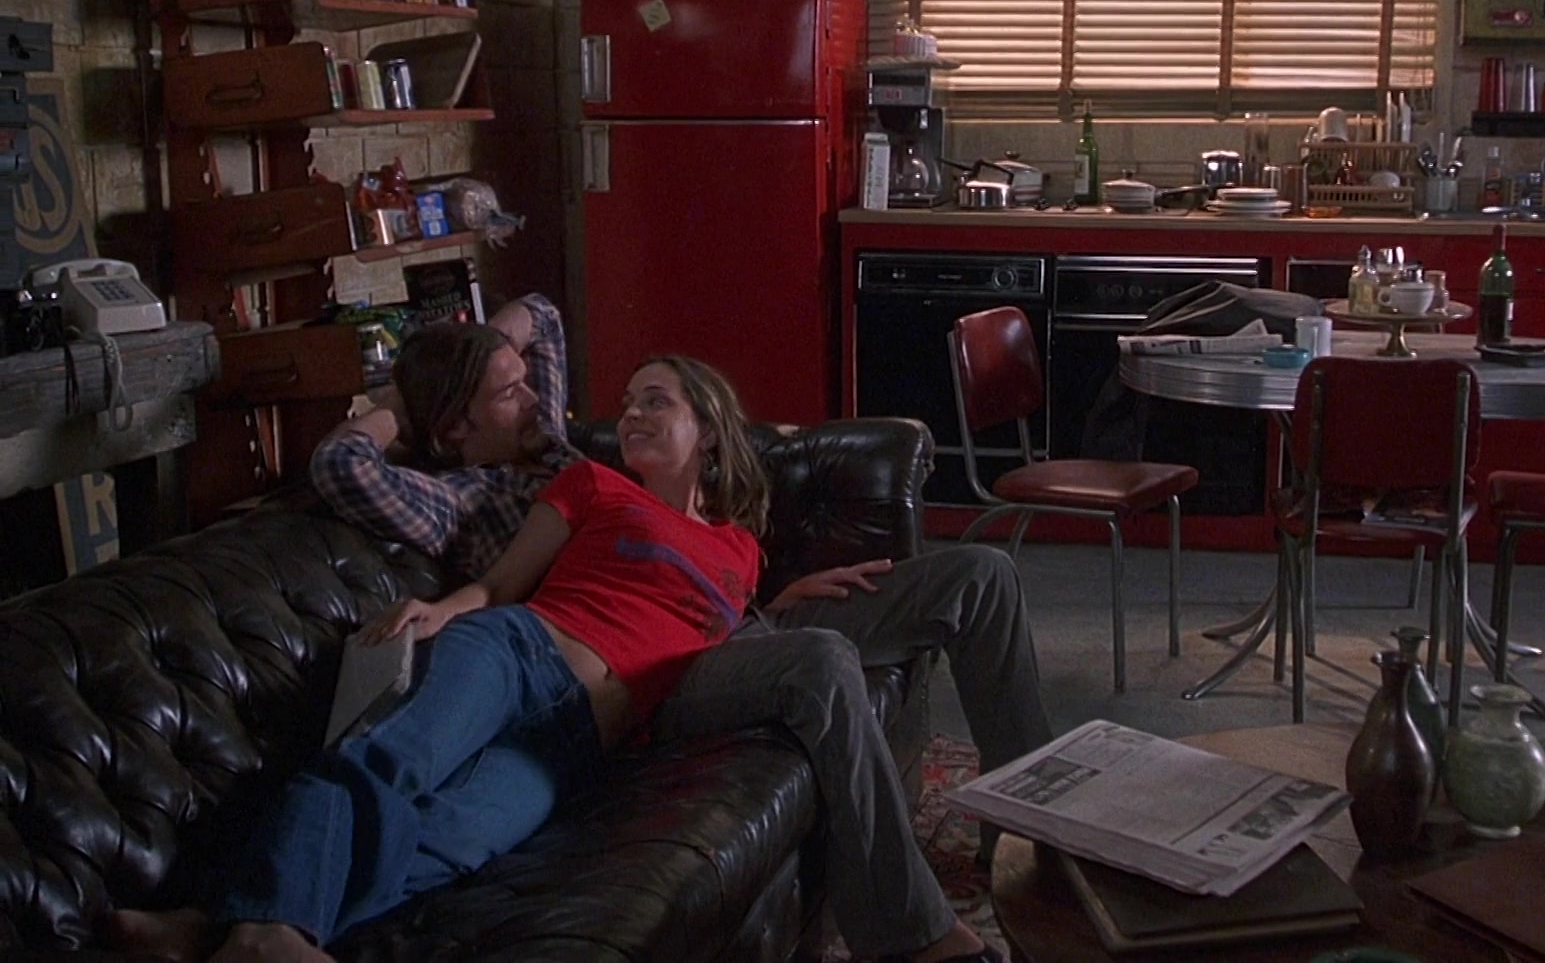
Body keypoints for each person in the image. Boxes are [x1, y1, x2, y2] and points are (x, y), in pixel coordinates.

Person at [109, 356, 999, 963]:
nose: (634, 413)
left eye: (658, 401)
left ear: (709, 431)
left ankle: (217, 926)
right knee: (387, 762)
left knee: (457, 841)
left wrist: (784, 606)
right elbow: (503, 585)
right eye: (630, 400)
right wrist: (442, 608)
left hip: (580, 738)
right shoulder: (593, 484)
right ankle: (270, 930)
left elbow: (706, 650)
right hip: (520, 651)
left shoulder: (740, 551)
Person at [310, 295, 1052, 779]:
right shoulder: (458, 499)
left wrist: (483, 354)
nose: (536, 396)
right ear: (454, 427)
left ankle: (1028, 816)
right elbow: (341, 466)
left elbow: (544, 317)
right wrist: (404, 402)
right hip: (641, 664)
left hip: (725, 617)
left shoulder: (551, 447)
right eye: (508, 391)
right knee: (819, 655)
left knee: (981, 576)